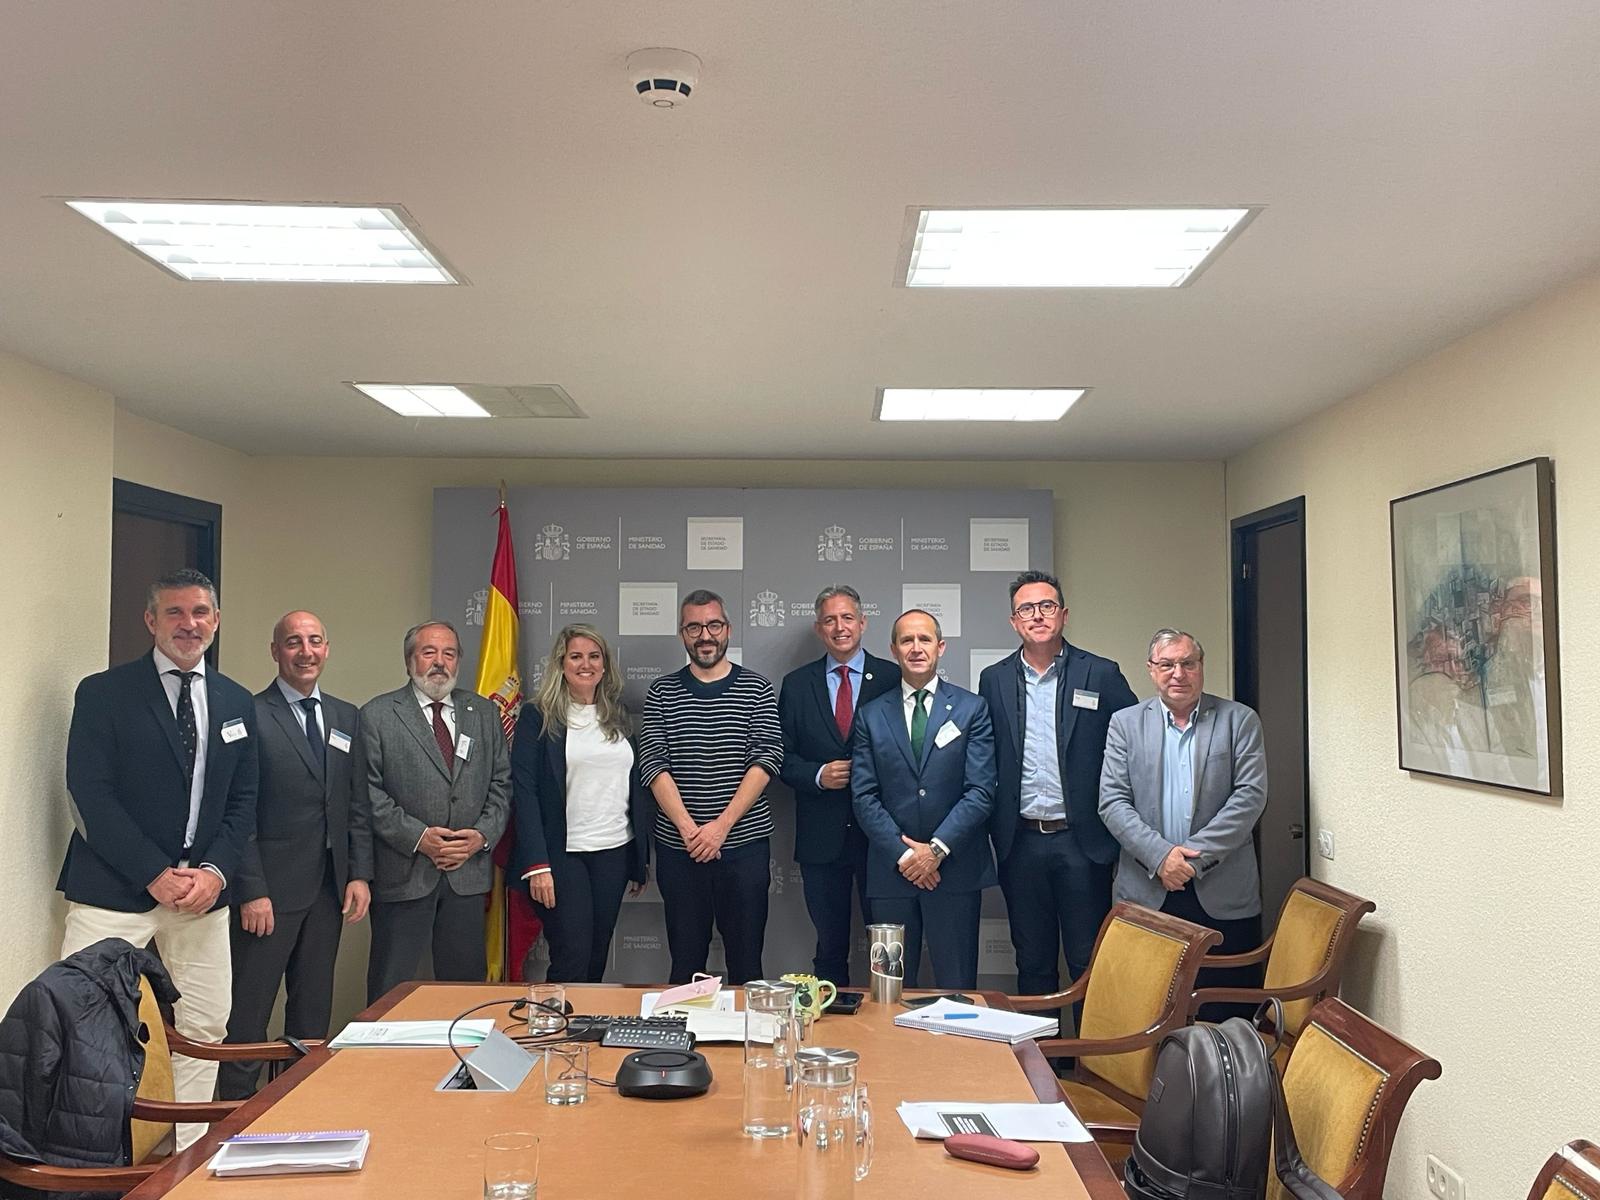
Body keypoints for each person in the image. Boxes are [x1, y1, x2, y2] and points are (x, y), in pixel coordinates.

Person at [58, 567, 257, 1148]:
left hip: (202, 895)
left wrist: (215, 872)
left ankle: (186, 1155)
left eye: (200, 613)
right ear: (150, 620)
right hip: (115, 889)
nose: (188, 624)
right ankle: (88, 1157)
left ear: (216, 621)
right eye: (174, 612)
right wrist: (152, 873)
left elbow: (244, 801)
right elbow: (90, 793)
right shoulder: (103, 693)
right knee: (83, 1020)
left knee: (205, 1027)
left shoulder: (236, 701)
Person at [219, 611, 373, 1099]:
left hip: (327, 891)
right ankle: (233, 1115)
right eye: (293, 642)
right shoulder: (249, 713)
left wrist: (358, 874)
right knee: (249, 1014)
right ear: (275, 651)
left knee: (312, 1014)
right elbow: (237, 811)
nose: (305, 652)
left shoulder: (346, 716)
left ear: (327, 649)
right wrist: (251, 889)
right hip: (268, 895)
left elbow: (355, 804)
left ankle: (296, 1108)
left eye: (314, 641)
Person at [978, 570, 1137, 1001]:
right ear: (1013, 621)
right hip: (1020, 843)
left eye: (1046, 606)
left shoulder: (1100, 673)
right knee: (1032, 962)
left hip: (1083, 843)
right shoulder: (994, 679)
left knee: (1088, 961)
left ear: (1063, 614)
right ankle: (1043, 1047)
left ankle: (1088, 1047)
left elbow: (1134, 743)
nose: (1037, 616)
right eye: (1026, 609)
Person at [1098, 628, 1268, 1016]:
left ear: (1201, 666)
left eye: (1188, 663)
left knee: (1223, 1014)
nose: (1178, 673)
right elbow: (1112, 802)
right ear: (1151, 670)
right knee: (1145, 1012)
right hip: (1148, 890)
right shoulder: (1125, 724)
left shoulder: (1239, 720)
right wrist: (1161, 857)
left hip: (1221, 891)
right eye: (1167, 664)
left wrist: (1191, 860)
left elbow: (1249, 798)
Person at [638, 590, 783, 984]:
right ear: (681, 634)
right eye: (694, 627)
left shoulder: (757, 688)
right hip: (679, 849)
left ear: (728, 629)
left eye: (714, 625)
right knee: (685, 967)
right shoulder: (662, 692)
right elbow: (652, 763)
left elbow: (766, 759)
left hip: (744, 846)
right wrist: (690, 831)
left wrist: (720, 828)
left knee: (747, 965)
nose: (705, 635)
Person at [361, 621, 511, 1002]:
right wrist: (419, 838)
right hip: (404, 872)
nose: (440, 662)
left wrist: (480, 837)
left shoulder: (484, 713)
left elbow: (501, 784)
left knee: (464, 994)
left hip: (467, 874)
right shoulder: (377, 715)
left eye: (449, 653)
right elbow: (368, 793)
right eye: (429, 652)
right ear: (409, 660)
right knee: (390, 989)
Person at [851, 609, 997, 989]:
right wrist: (907, 857)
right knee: (889, 991)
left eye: (925, 639)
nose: (916, 648)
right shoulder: (870, 716)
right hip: (891, 874)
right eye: (907, 640)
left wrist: (935, 851)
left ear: (940, 647)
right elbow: (864, 796)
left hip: (955, 871)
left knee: (958, 988)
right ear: (894, 650)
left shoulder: (971, 709)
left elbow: (981, 791)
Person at [511, 625, 651, 983]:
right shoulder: (538, 716)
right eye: (575, 656)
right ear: (561, 664)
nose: (585, 664)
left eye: (594, 656)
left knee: (596, 955)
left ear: (604, 665)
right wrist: (537, 865)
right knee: (571, 955)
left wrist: (639, 859)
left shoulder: (617, 715)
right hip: (562, 856)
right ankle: (555, 1019)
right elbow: (524, 791)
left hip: (614, 852)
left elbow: (632, 788)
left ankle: (585, 1019)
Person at [778, 585, 900, 985]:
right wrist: (817, 775)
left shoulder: (892, 678)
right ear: (819, 628)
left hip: (881, 839)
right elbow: (781, 758)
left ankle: (887, 1021)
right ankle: (830, 1021)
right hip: (822, 840)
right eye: (830, 620)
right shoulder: (797, 684)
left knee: (887, 949)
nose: (840, 627)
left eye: (847, 618)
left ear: (863, 623)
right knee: (829, 949)